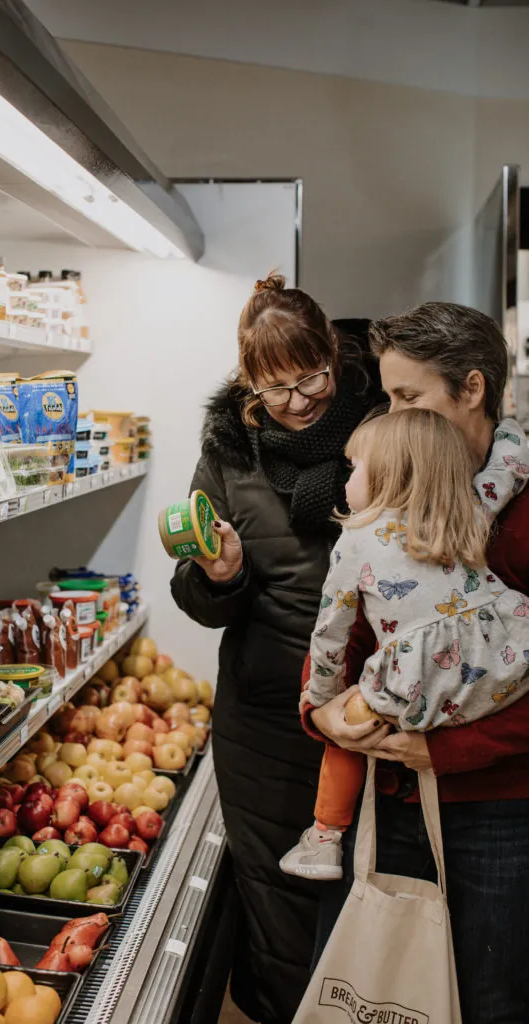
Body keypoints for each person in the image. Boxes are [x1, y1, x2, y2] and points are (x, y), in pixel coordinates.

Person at [302, 302, 529, 1024]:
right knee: (368, 991)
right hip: (386, 797)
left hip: (498, 813)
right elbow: (348, 633)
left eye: (408, 397)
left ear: (470, 389)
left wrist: (442, 747)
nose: (391, 415)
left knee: (489, 996)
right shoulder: (389, 494)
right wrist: (322, 713)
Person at [170, 273, 383, 1024]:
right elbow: (193, 596)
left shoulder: (383, 429)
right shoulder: (229, 450)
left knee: (370, 888)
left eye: (311, 378)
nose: (297, 402)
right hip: (264, 712)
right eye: (274, 388)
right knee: (277, 891)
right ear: (246, 383)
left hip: (373, 711)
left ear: (333, 354)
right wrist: (218, 575)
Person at [280, 407, 529, 881]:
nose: (346, 480)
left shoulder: (355, 541)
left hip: (417, 683)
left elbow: (330, 632)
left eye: (354, 468)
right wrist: (510, 429)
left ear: (388, 477)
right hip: (505, 661)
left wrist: (322, 701)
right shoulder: (466, 514)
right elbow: (508, 470)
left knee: (353, 726)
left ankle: (325, 835)